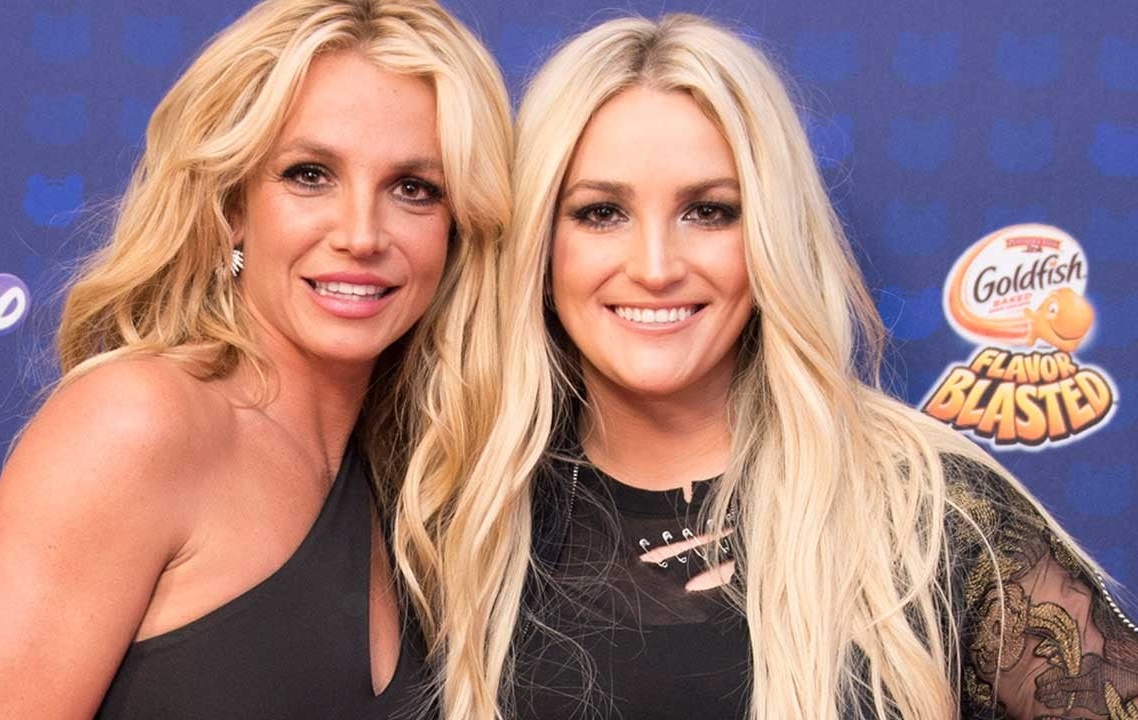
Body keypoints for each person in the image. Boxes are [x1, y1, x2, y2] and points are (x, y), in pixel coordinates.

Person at [393, 14, 1138, 720]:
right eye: (601, 213)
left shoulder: (922, 510)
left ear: (771, 237)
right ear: (538, 245)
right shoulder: (459, 513)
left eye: (709, 211)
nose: (655, 267)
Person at [0, 1, 510, 717]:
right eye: (310, 174)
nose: (361, 234)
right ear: (232, 205)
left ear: (458, 228)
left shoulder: (421, 481)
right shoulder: (137, 423)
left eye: (413, 190)